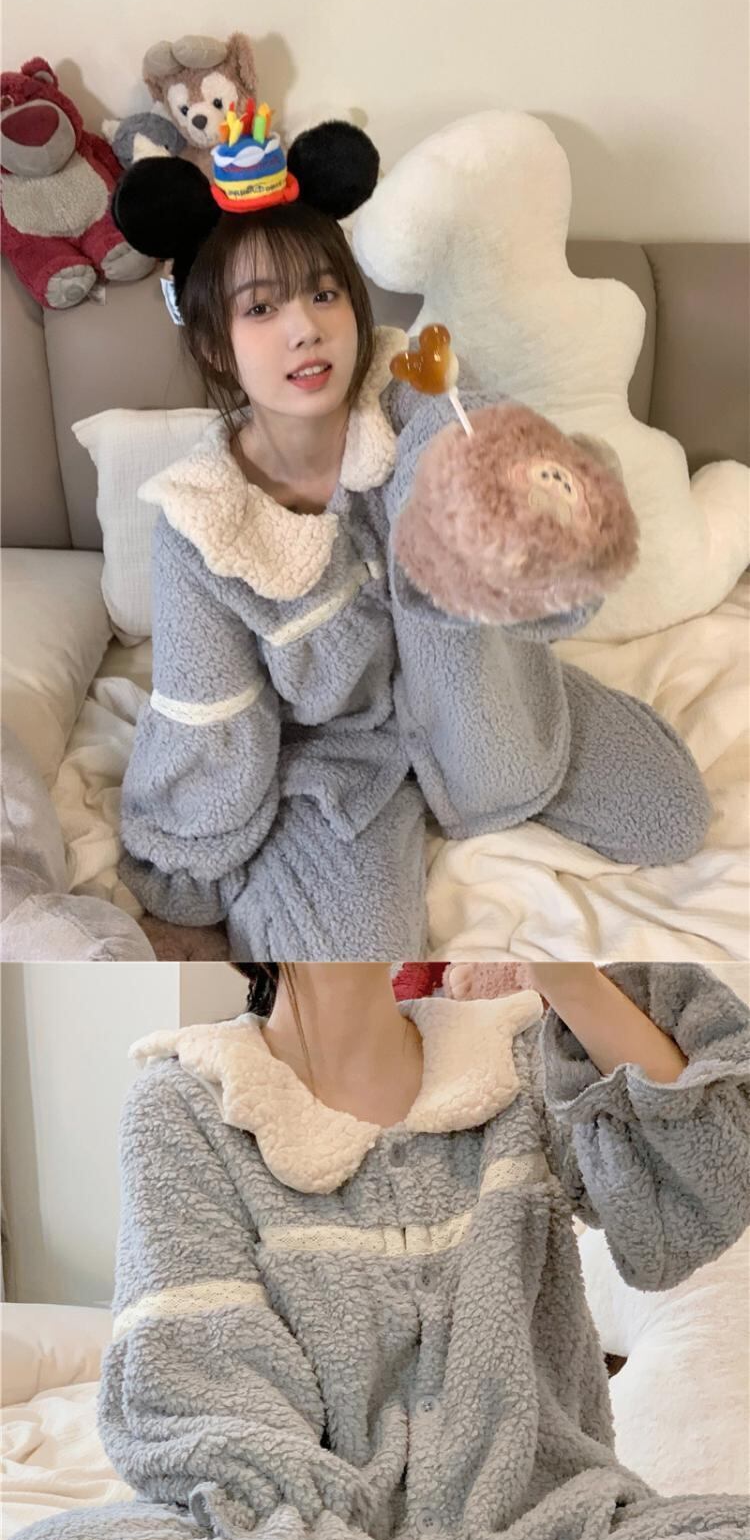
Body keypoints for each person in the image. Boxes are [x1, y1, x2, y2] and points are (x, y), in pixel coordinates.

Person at [3, 959, 749, 1540]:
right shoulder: (189, 1103)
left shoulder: (514, 1060)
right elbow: (211, 1382)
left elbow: (700, 1198)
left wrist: (569, 974)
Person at [106, 118, 708, 962]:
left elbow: (482, 458)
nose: (305, 328)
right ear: (213, 340)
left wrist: (526, 516)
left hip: (484, 708)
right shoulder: (203, 525)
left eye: (325, 294)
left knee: (675, 815)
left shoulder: (418, 406)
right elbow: (212, 718)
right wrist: (183, 884)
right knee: (358, 953)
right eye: (262, 307)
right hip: (339, 763)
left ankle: (496, 759)